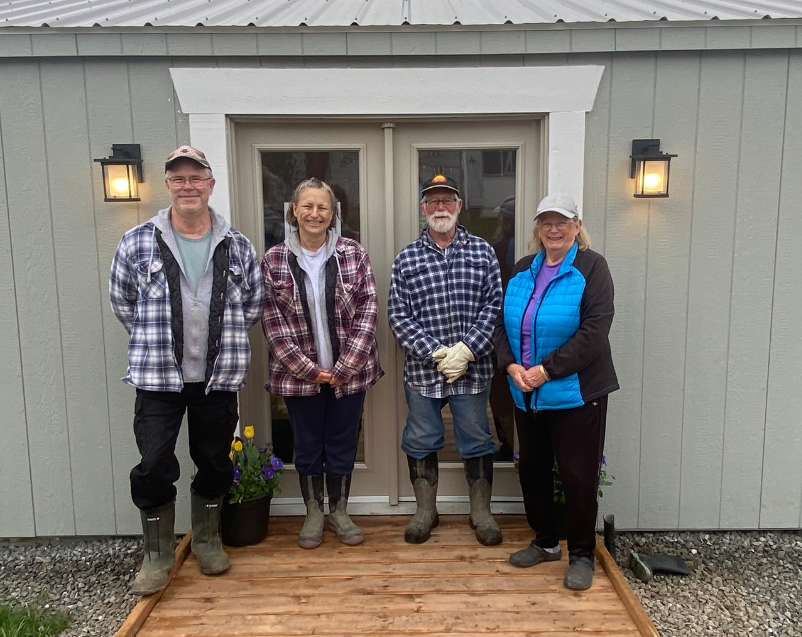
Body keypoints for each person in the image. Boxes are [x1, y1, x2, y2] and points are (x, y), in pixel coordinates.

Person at [110, 146, 264, 595]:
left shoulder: (236, 245)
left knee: (215, 461)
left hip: (217, 377)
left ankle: (208, 539)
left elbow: (250, 305)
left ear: (211, 185)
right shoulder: (138, 241)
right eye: (178, 179)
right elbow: (124, 304)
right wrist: (155, 341)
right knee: (154, 462)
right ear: (168, 186)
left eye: (196, 177)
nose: (188, 186)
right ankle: (158, 555)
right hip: (158, 378)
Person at [494, 192, 618, 591]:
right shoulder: (521, 270)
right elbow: (500, 324)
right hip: (527, 393)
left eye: (562, 222)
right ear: (537, 229)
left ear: (577, 226)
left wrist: (546, 371)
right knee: (531, 471)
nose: (553, 229)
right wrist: (510, 364)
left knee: (578, 476)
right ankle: (546, 542)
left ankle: (582, 553)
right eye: (546, 222)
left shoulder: (591, 267)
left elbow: (594, 332)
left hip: (575, 393)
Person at [261, 177, 383, 549]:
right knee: (309, 444)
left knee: (343, 443)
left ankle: (340, 511)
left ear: (333, 215)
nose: (315, 214)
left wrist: (344, 367)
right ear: (293, 211)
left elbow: (369, 309)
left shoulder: (353, 254)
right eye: (307, 206)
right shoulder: (274, 259)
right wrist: (309, 370)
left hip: (350, 374)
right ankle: (314, 512)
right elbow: (272, 322)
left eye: (323, 207)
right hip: (300, 379)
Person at [389, 174, 503, 546]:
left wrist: (467, 349)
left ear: (459, 205)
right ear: (423, 209)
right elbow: (398, 315)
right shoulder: (407, 258)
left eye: (447, 200)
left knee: (476, 437)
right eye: (433, 201)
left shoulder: (483, 252)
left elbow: (495, 306)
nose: (441, 207)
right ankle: (426, 511)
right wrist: (436, 352)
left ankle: (481, 512)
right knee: (421, 439)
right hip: (424, 372)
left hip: (472, 370)